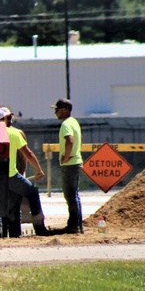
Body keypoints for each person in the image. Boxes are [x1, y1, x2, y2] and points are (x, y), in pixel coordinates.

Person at [0, 106, 49, 237]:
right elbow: (28, 154)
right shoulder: (13, 134)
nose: (10, 121)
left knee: (8, 205)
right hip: (11, 176)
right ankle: (39, 227)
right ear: (1, 120)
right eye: (8, 118)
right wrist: (39, 170)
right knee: (33, 193)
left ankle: (1, 234)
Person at [53, 97, 84, 234]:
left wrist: (65, 157)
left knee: (70, 196)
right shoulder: (74, 122)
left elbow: (69, 140)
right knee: (74, 195)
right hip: (76, 161)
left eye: (57, 110)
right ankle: (78, 225)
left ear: (64, 110)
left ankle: (74, 226)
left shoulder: (66, 124)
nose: (55, 113)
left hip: (70, 163)